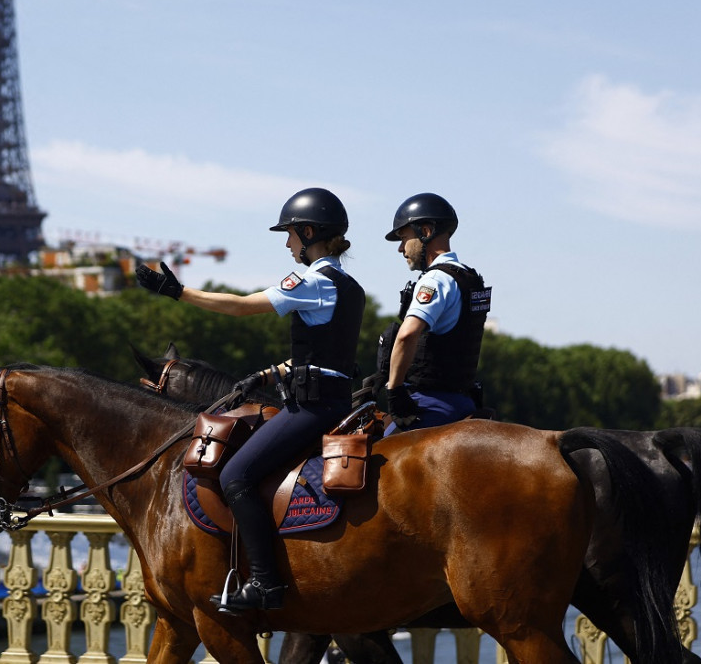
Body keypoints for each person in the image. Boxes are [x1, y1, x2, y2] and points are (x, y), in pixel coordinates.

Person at [136, 187, 365, 613]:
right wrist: (272, 371)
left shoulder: (311, 280)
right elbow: (322, 354)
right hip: (333, 399)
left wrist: (179, 292)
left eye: (291, 234)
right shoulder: (348, 286)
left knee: (236, 475)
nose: (287, 244)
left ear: (309, 232)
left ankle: (265, 583)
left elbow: (241, 307)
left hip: (311, 407)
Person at [379, 193, 491, 434]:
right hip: (465, 401)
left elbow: (407, 335)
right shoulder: (469, 277)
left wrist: (395, 391)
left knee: (376, 459)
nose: (400, 248)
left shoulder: (436, 279)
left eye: (404, 238)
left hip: (434, 402)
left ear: (426, 231)